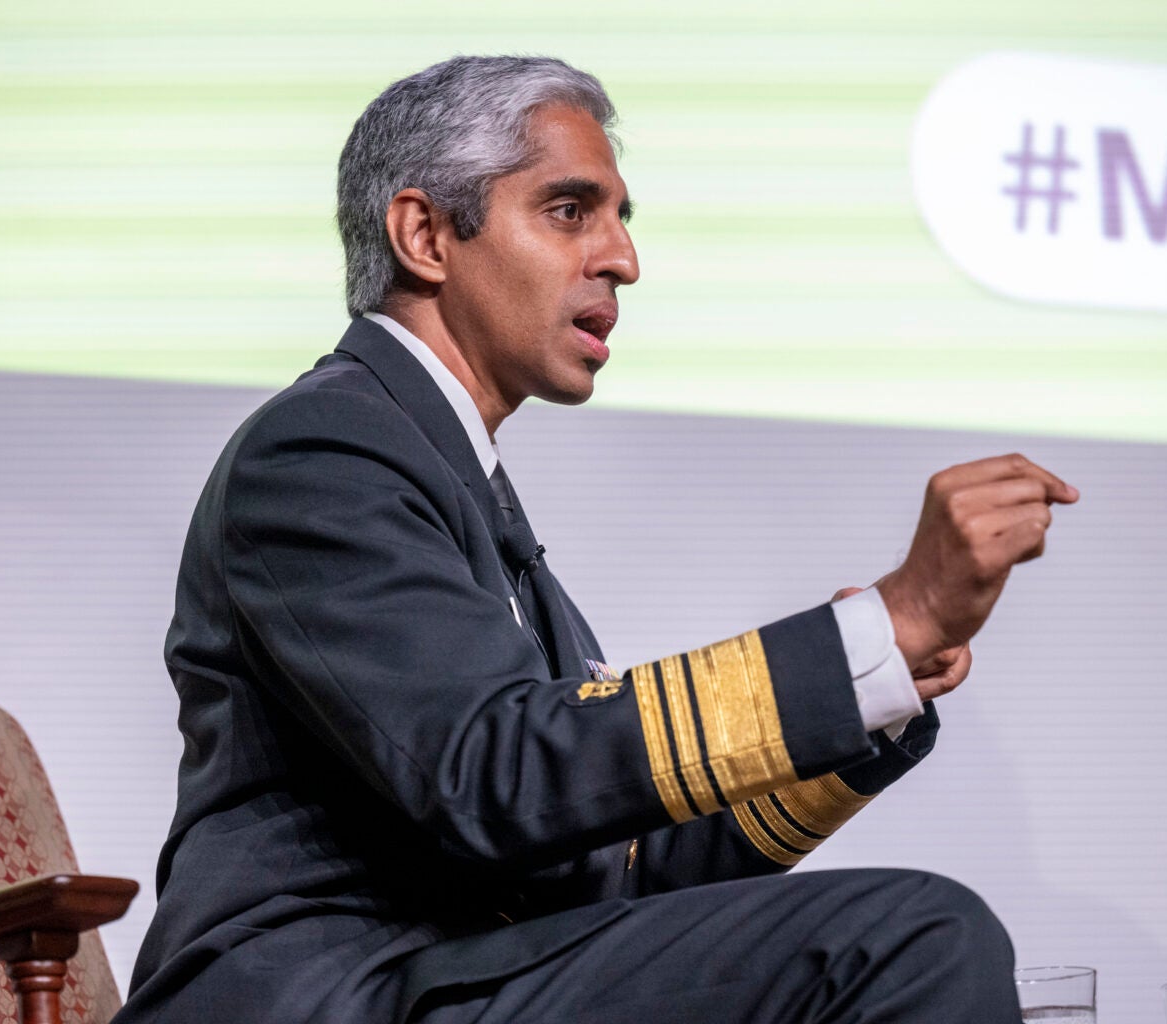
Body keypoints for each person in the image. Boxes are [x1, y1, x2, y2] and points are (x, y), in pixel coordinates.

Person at [115, 55, 1079, 1023]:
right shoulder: (322, 450)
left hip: (458, 974)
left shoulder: (456, 482)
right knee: (916, 936)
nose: (622, 258)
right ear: (424, 234)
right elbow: (495, 777)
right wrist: (882, 623)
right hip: (321, 993)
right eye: (571, 210)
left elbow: (620, 865)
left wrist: (882, 679)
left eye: (619, 218)